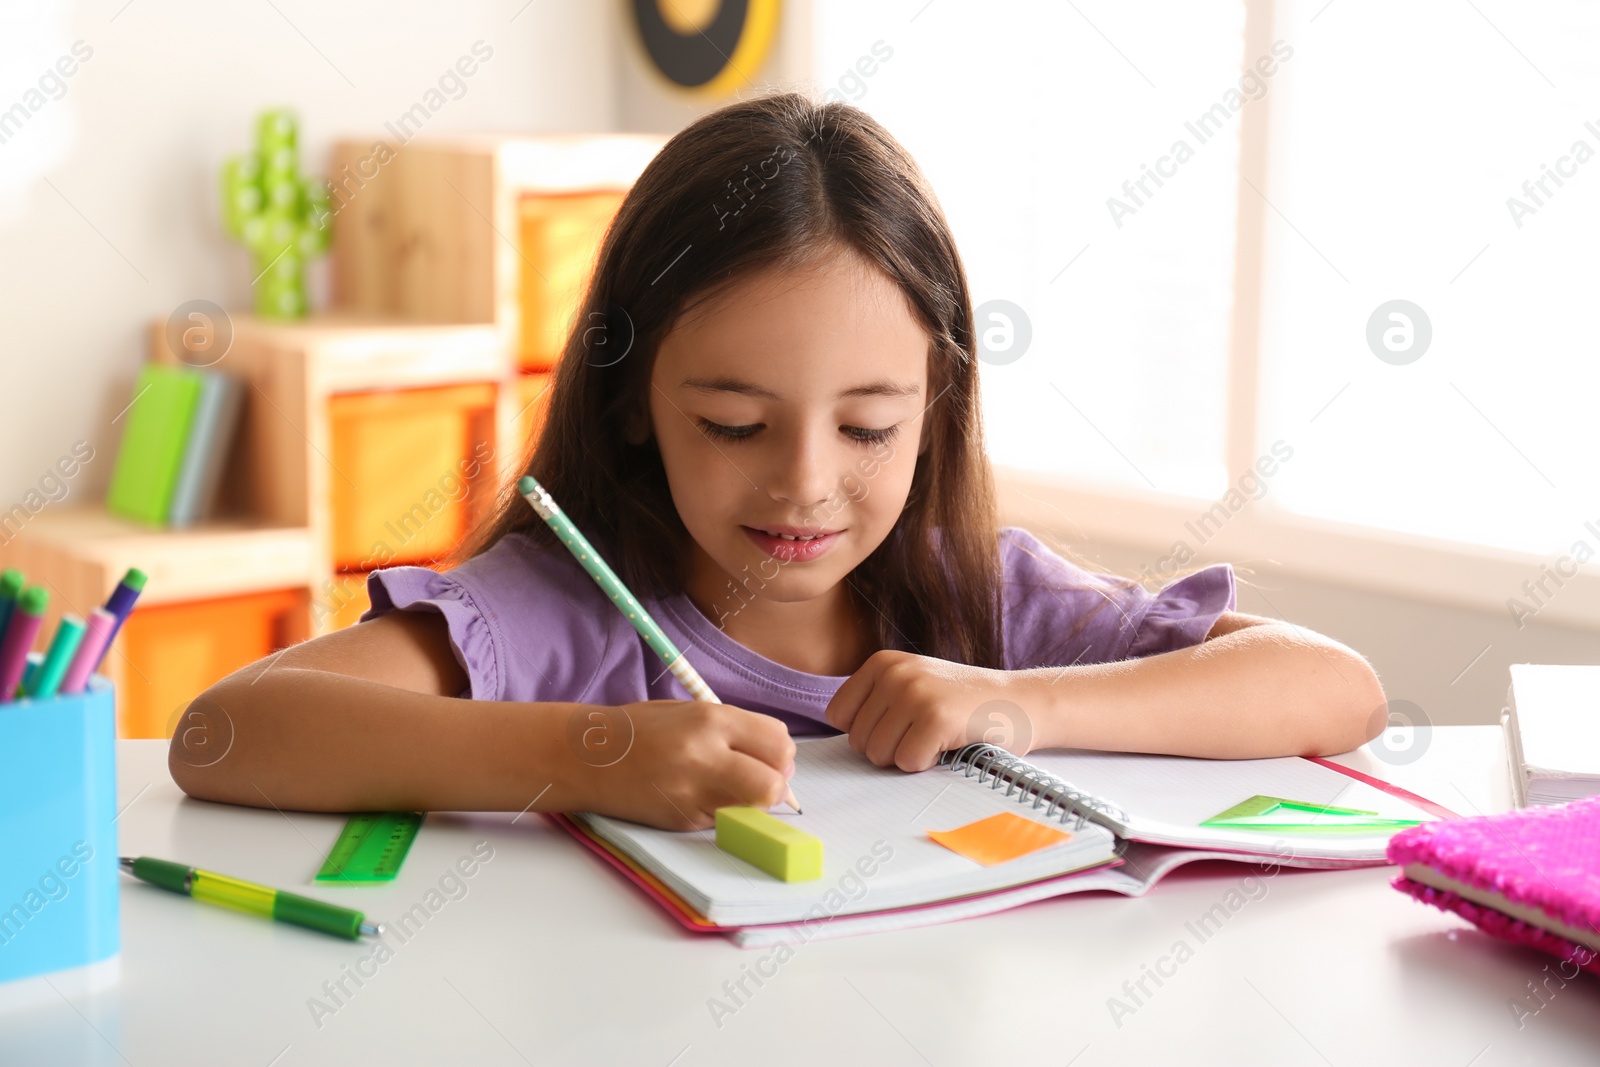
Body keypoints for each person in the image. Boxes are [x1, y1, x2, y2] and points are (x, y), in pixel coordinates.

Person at [171, 92, 1386, 830]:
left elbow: (1334, 687)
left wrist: (1018, 701)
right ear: (635, 398)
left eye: (867, 427)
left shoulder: (980, 597)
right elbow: (226, 731)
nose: (805, 482)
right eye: (735, 425)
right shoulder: (568, 610)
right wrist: (583, 754)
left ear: (936, 406)